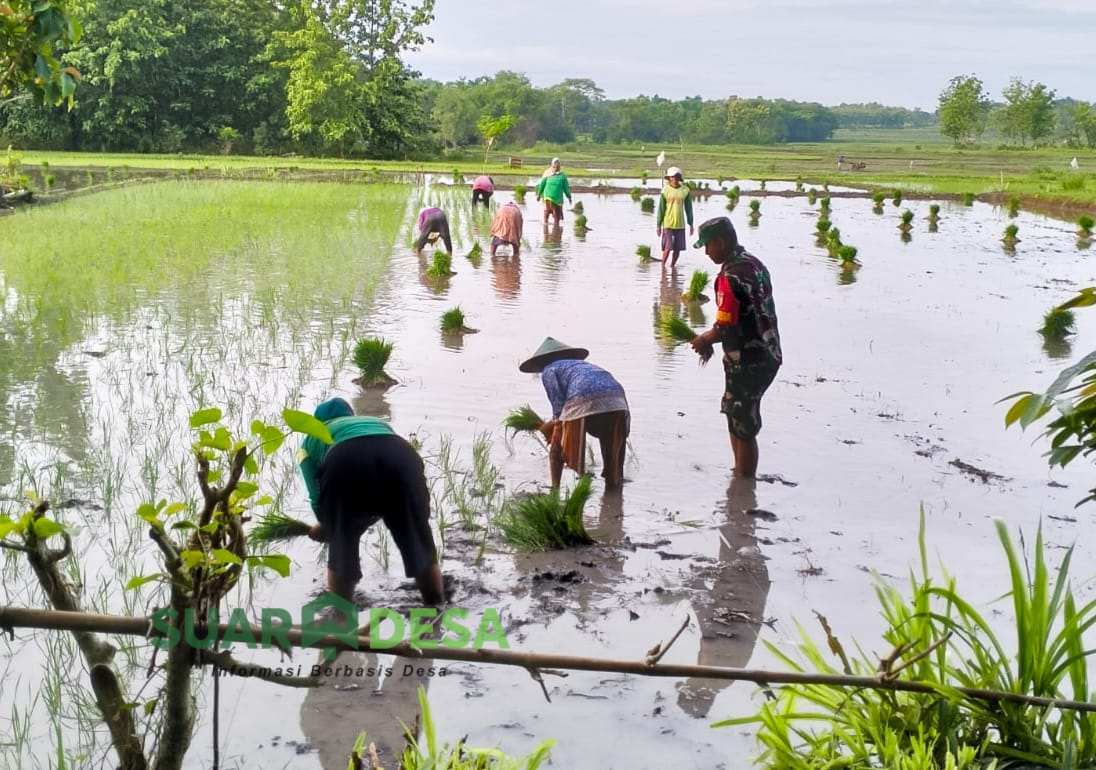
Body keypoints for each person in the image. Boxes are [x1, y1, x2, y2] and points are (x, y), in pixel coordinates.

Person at [298, 398, 444, 605]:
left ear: (318, 422)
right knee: (417, 536)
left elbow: (316, 494)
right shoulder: (376, 423)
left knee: (343, 538)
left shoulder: (311, 438)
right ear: (350, 416)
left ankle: (341, 614)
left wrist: (328, 526)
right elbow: (378, 472)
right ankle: (436, 603)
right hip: (401, 454)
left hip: (345, 458)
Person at [688, 217, 781, 478]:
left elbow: (726, 324)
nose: (706, 252)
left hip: (748, 359)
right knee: (737, 414)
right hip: (769, 353)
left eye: (708, 246)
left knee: (742, 423)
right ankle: (739, 477)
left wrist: (705, 339)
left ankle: (743, 486)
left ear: (721, 242)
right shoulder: (754, 264)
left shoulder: (729, 277)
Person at [519, 338, 629, 489]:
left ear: (543, 361)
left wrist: (547, 428)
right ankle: (614, 489)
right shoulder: (583, 366)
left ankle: (555, 488)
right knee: (610, 439)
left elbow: (559, 413)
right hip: (618, 399)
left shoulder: (549, 370)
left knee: (558, 439)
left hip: (583, 397)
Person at [655, 166, 694, 268]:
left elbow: (688, 208)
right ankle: (663, 268)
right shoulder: (665, 190)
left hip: (680, 224)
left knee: (677, 248)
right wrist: (658, 225)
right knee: (668, 247)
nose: (674, 179)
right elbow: (661, 209)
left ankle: (672, 266)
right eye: (672, 177)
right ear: (669, 178)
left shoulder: (685, 190)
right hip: (668, 223)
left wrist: (691, 224)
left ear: (679, 178)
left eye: (677, 177)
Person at [535, 158, 572, 226]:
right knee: (552, 213)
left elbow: (566, 187)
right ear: (552, 166)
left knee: (551, 212)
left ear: (559, 167)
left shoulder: (561, 176)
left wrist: (569, 196)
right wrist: (539, 194)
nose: (556, 168)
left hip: (553, 198)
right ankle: (554, 229)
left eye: (557, 166)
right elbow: (542, 184)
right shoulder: (548, 174)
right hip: (551, 197)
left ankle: (550, 227)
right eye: (554, 166)